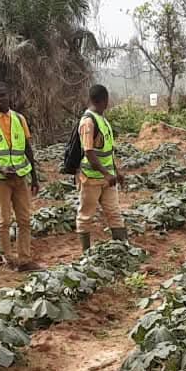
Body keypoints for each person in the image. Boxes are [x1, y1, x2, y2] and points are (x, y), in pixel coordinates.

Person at [0, 82, 40, 270]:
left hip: (20, 177)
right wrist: (0, 168)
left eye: (2, 95)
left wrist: (34, 177)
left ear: (9, 96)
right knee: (4, 221)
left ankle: (24, 260)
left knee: (24, 220)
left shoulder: (20, 119)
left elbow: (28, 149)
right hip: (0, 180)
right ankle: (8, 260)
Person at [76, 84, 127, 253]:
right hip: (91, 179)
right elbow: (89, 153)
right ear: (104, 100)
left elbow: (107, 151)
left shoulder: (102, 120)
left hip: (108, 178)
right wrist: (106, 174)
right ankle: (86, 254)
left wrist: (116, 172)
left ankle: (123, 249)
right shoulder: (88, 122)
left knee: (114, 212)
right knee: (86, 216)